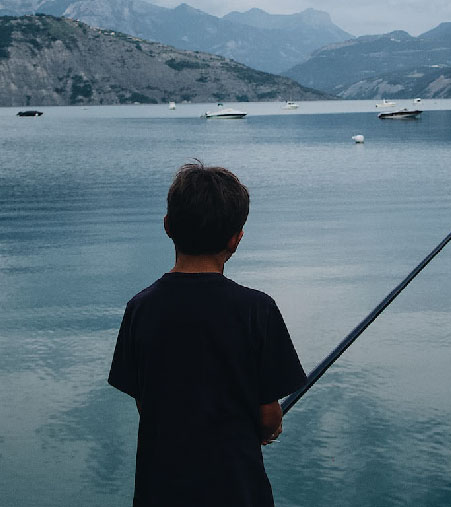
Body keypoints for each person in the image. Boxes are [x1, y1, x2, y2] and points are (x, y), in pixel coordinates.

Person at [108, 161, 307, 507]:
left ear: (168, 226)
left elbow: (146, 403)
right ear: (236, 238)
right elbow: (268, 415)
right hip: (238, 492)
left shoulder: (139, 308)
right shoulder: (257, 310)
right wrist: (268, 431)